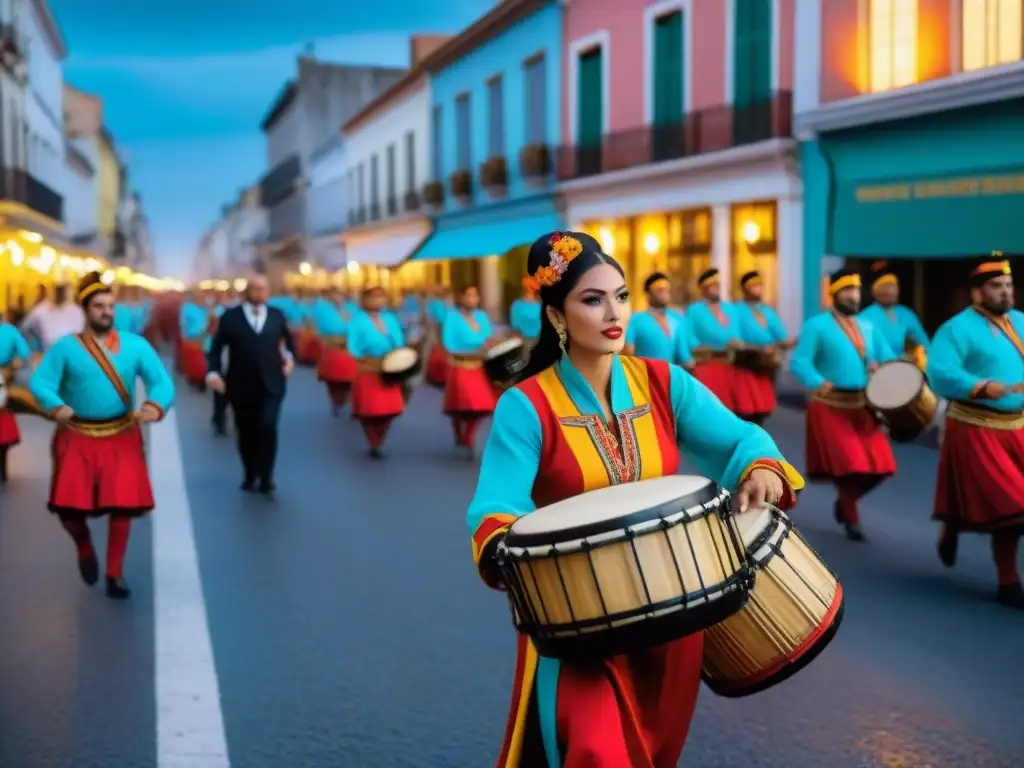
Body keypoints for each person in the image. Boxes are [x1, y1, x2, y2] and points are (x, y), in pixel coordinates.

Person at [466, 231, 803, 767]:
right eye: (592, 299)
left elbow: (742, 438)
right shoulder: (525, 406)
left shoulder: (666, 384)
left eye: (621, 296)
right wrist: (504, 542)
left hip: (673, 615)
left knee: (652, 754)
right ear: (556, 315)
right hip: (576, 619)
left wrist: (760, 468)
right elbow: (496, 503)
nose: (613, 312)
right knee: (598, 753)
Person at [29, 271, 174, 599]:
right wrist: (55, 406)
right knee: (68, 509)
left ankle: (114, 573)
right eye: (99, 306)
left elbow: (161, 381)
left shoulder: (136, 346)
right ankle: (83, 546)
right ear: (86, 310)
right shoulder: (66, 348)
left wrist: (156, 404)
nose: (107, 312)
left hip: (121, 434)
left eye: (110, 306)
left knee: (122, 506)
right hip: (76, 436)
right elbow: (41, 383)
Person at [928, 258, 1024, 610]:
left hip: (1018, 426)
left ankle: (952, 524)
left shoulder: (1021, 323)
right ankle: (1008, 580)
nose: (1005, 292)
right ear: (978, 291)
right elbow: (939, 373)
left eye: (1009, 286)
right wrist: (982, 385)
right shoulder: (957, 329)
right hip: (976, 426)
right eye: (997, 286)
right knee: (1013, 508)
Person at [789, 268, 897, 541]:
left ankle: (844, 503)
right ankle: (851, 513)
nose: (853, 295)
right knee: (852, 465)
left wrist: (884, 367)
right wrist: (817, 381)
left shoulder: (869, 327)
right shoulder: (816, 325)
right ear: (835, 294)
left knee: (882, 467)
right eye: (847, 290)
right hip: (830, 404)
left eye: (856, 290)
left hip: (863, 405)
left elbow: (888, 358)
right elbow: (799, 361)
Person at [206, 275, 295, 498]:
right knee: (245, 431)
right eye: (255, 288)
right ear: (248, 291)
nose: (259, 292)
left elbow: (289, 345)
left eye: (263, 289)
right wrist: (214, 372)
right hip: (240, 384)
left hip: (272, 384)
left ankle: (267, 476)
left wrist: (289, 358)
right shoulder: (231, 317)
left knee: (268, 426)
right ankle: (249, 472)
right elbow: (216, 348)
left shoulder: (277, 316)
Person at [347, 286, 406, 457]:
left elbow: (399, 342)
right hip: (368, 368)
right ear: (364, 300)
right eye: (373, 297)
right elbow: (353, 346)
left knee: (389, 410)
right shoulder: (357, 320)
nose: (378, 301)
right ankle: (373, 441)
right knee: (370, 410)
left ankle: (380, 437)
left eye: (381, 297)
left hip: (388, 367)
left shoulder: (390, 319)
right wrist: (361, 358)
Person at [732, 270, 794, 425]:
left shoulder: (767, 311)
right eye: (754, 286)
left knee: (762, 410)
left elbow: (781, 336)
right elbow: (734, 337)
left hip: (766, 365)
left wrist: (788, 342)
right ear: (745, 289)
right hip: (745, 363)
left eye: (760, 285)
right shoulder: (736, 310)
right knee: (744, 409)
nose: (758, 289)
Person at [441, 285, 497, 458]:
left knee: (479, 406)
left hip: (478, 366)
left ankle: (469, 438)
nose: (472, 299)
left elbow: (488, 337)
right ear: (461, 298)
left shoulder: (481, 316)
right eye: (468, 295)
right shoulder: (451, 317)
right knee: (461, 405)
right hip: (460, 365)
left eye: (475, 295)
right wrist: (463, 351)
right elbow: (448, 342)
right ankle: (458, 432)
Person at [683, 267, 741, 410]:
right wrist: (698, 346)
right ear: (703, 288)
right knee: (710, 406)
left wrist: (737, 342)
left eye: (717, 285)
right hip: (707, 364)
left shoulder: (729, 308)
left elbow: (737, 332)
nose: (715, 288)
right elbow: (688, 336)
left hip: (730, 364)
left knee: (732, 408)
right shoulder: (694, 310)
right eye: (711, 286)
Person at [858, 261, 930, 370]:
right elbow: (865, 350)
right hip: (876, 371)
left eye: (893, 286)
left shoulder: (906, 314)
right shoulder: (865, 317)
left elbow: (925, 344)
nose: (890, 290)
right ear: (873, 291)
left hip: (902, 369)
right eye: (884, 286)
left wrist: (922, 357)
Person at [623, 272, 693, 367]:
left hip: (672, 377)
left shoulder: (677, 319)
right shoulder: (636, 319)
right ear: (648, 294)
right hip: (646, 376)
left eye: (667, 290)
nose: (665, 294)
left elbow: (684, 355)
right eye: (660, 290)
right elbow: (627, 353)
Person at [313, 291, 357, 416]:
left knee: (349, 378)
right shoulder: (323, 310)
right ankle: (336, 401)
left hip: (348, 350)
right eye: (335, 296)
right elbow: (318, 328)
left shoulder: (352, 309)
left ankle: (346, 400)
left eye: (340, 296)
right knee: (332, 380)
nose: (337, 299)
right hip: (332, 350)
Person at [0, 319, 31, 482]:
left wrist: (10, 369)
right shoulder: (11, 330)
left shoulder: (10, 331)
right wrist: (12, 368)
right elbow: (23, 354)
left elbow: (23, 354)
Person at [20, 282, 85, 354]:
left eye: (63, 288)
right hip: (48, 358)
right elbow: (24, 331)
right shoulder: (40, 311)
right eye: (58, 288)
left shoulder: (78, 312)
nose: (61, 292)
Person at [424, 286, 450, 388]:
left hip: (446, 326)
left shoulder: (446, 302)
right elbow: (430, 318)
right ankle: (435, 375)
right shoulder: (432, 303)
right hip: (436, 328)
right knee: (436, 349)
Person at [509, 278, 542, 346]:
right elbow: (515, 325)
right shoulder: (517, 305)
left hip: (539, 340)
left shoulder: (541, 305)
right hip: (523, 341)